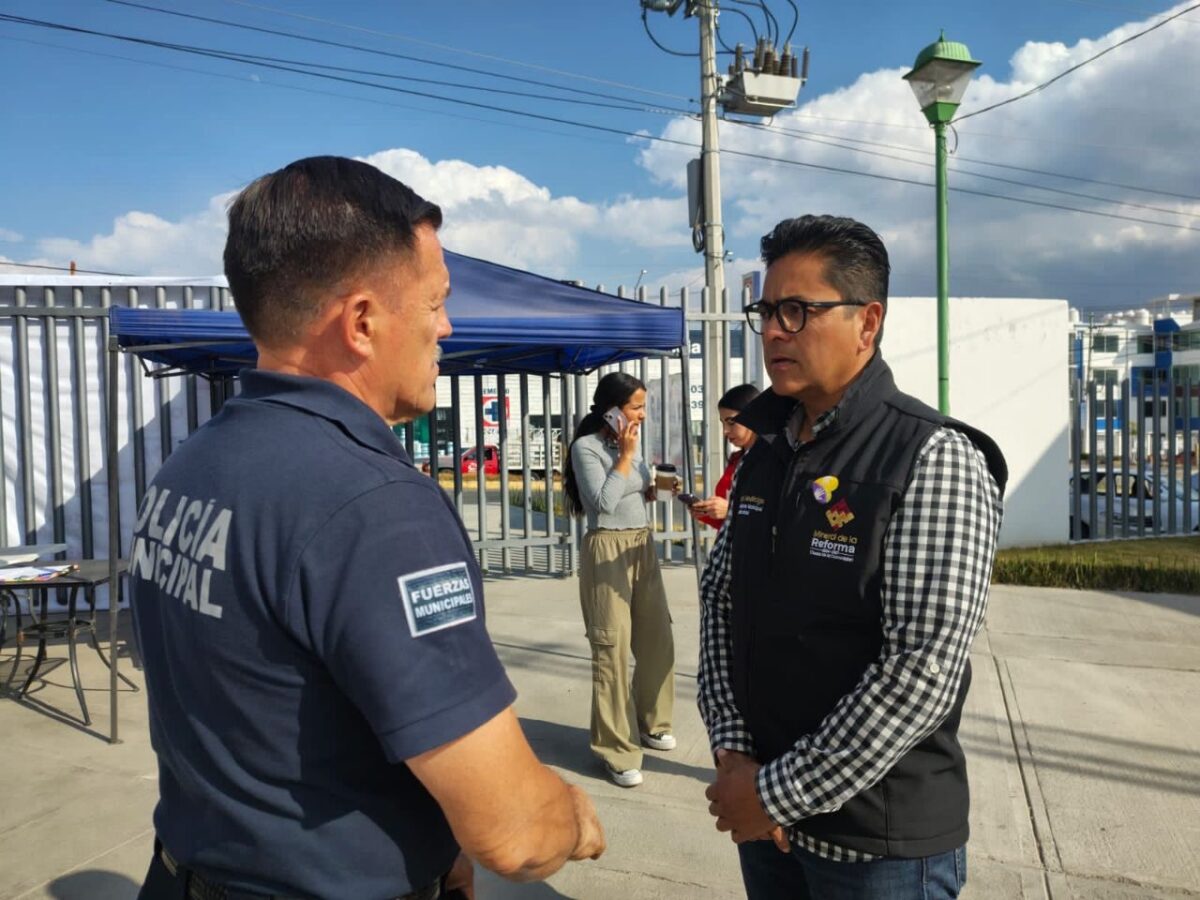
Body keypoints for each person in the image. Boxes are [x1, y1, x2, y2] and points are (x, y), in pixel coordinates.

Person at [128, 156, 605, 900]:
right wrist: (570, 817)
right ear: (361, 322)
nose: (447, 327)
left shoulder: (192, 463)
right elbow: (512, 830)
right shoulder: (373, 506)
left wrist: (429, 843)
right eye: (436, 302)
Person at [698, 215, 1006, 899]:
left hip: (877, 847)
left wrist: (776, 792)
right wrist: (733, 752)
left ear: (868, 322)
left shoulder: (932, 458)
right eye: (767, 310)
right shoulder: (766, 453)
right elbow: (722, 604)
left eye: (798, 310)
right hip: (769, 827)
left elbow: (919, 669)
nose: (774, 330)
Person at [563, 371, 676, 788]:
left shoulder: (627, 444)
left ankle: (652, 722)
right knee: (611, 648)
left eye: (643, 407)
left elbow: (628, 492)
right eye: (635, 407)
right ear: (610, 410)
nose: (642, 415)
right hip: (607, 550)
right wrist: (627, 459)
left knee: (657, 638)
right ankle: (616, 749)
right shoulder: (586, 448)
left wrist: (650, 489)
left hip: (641, 545)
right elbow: (602, 503)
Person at [689, 383, 760, 529]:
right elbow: (726, 523)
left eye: (731, 422)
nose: (725, 431)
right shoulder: (736, 460)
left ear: (753, 416)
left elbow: (773, 516)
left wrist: (730, 510)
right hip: (729, 548)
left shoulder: (772, 461)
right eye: (723, 423)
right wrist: (707, 513)